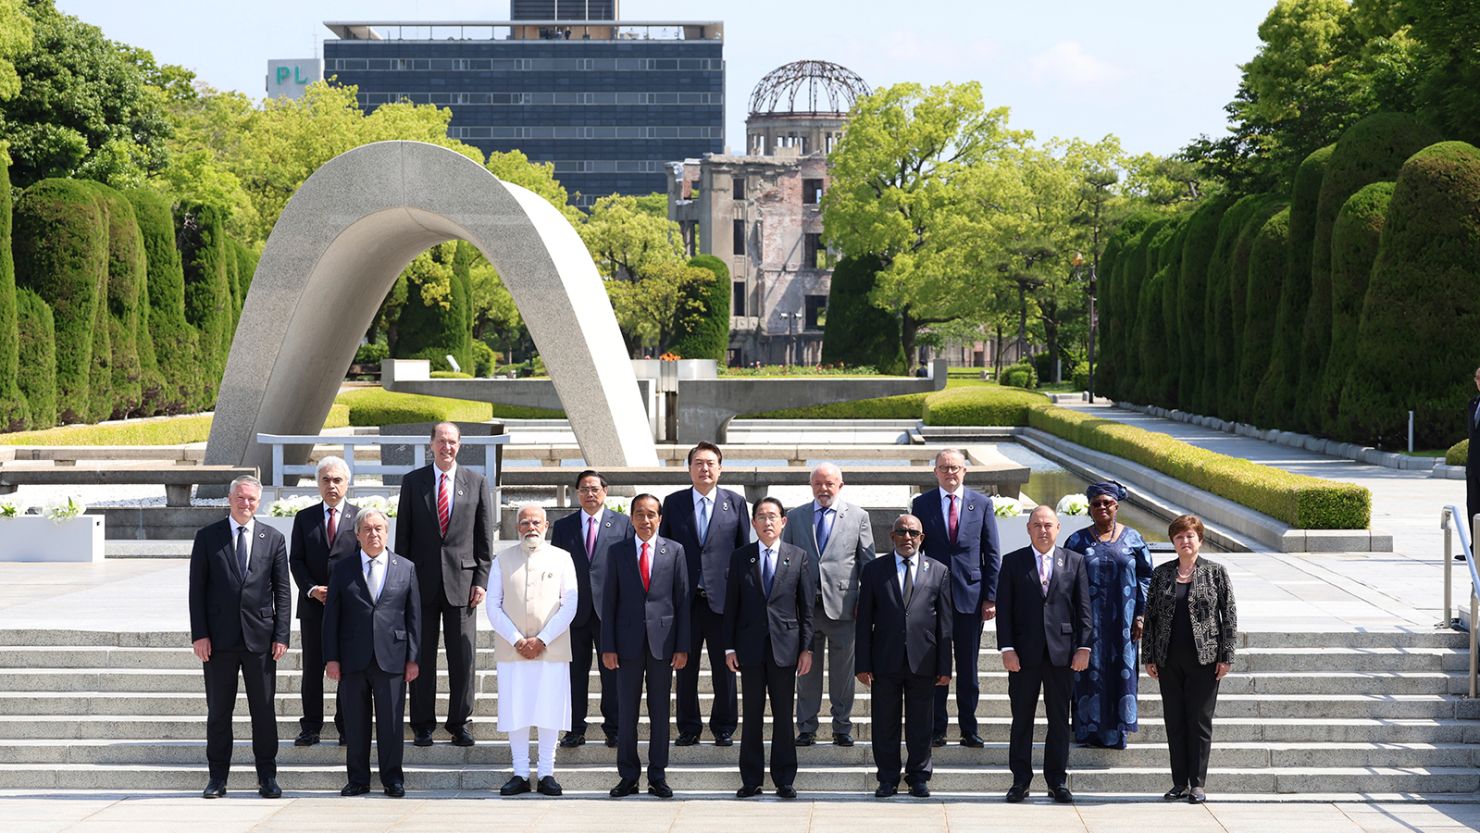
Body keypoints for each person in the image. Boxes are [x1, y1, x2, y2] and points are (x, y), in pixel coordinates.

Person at [188, 474, 290, 799]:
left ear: (258, 502)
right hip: (218, 642)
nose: (246, 504)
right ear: (230, 499)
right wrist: (200, 635)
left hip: (261, 641)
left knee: (263, 711)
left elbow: (283, 592)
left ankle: (267, 778)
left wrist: (282, 634)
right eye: (240, 498)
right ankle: (217, 778)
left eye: (252, 500)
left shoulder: (272, 538)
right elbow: (196, 592)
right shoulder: (208, 537)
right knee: (219, 711)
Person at [395, 422, 494, 748]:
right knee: (420, 655)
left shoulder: (477, 482)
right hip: (420, 584)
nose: (446, 447)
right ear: (431, 444)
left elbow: (484, 540)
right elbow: (403, 539)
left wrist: (481, 580)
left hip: (463, 584)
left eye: (452, 442)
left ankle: (459, 723)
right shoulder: (413, 482)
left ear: (460, 445)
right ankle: (422, 725)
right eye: (441, 441)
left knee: (462, 658)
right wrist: (401, 582)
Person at [996, 505, 1092, 804]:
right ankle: (1020, 781)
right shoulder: (1013, 562)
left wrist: (1083, 647)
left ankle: (1056, 781)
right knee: (1022, 719)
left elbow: (1084, 610)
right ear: (1028, 528)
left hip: (1062, 655)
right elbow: (1004, 611)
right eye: (1037, 525)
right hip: (1023, 655)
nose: (1043, 530)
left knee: (1059, 720)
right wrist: (1007, 648)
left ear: (1058, 528)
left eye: (1048, 524)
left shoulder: (1074, 561)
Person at [323, 508, 421, 798]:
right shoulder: (343, 568)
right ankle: (358, 779)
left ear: (387, 532)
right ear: (357, 535)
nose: (373, 534)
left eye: (379, 528)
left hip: (392, 656)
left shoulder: (406, 567)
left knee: (391, 723)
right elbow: (332, 617)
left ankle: (393, 779)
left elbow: (414, 617)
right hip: (353, 659)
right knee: (355, 723)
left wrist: (413, 658)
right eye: (367, 529)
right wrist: (332, 657)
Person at [854, 514, 952, 799]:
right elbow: (863, 622)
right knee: (885, 723)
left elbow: (945, 623)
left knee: (921, 724)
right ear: (892, 536)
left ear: (921, 538)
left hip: (924, 660)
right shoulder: (874, 570)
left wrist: (945, 665)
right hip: (885, 659)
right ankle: (887, 778)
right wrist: (862, 663)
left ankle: (919, 777)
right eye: (901, 532)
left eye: (913, 533)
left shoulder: (939, 571)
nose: (907, 537)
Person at [724, 498, 815, 799]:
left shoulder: (798, 556)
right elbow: (731, 607)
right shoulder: (741, 557)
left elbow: (806, 608)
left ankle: (784, 779)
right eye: (761, 517)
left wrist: (807, 649)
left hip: (785, 649)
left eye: (773, 516)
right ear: (753, 523)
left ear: (783, 521)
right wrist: (728, 648)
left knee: (783, 715)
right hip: (749, 649)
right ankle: (751, 779)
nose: (767, 522)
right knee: (751, 715)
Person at [659, 441, 749, 747]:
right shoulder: (673, 503)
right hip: (684, 600)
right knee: (685, 666)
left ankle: (724, 727)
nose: (704, 469)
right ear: (689, 469)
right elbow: (664, 551)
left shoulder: (735, 503)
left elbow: (743, 555)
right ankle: (688, 727)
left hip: (723, 600)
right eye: (698, 463)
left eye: (710, 463)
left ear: (720, 469)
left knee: (726, 667)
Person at [1144, 514, 1237, 804]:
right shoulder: (1161, 574)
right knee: (1175, 721)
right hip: (1168, 659)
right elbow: (1151, 618)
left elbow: (1229, 616)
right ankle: (1179, 783)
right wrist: (1148, 655)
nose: (1185, 541)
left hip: (1205, 659)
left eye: (1190, 536)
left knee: (1199, 721)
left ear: (1200, 540)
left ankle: (1197, 784)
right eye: (1180, 537)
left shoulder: (1216, 572)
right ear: (1173, 542)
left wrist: (1226, 655)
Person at [602, 494, 691, 799]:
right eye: (639, 514)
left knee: (660, 713)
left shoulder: (675, 551)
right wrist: (608, 646)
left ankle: (658, 776)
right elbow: (609, 601)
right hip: (626, 645)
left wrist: (682, 646)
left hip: (663, 645)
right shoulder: (617, 552)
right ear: (631, 518)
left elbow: (682, 601)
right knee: (627, 713)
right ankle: (628, 776)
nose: (645, 520)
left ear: (660, 519)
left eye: (651, 514)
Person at [910, 448, 1000, 748]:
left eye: (955, 468)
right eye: (944, 468)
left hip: (970, 598)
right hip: (932, 599)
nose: (950, 473)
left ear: (965, 472)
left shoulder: (982, 503)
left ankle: (968, 728)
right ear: (935, 472)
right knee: (936, 666)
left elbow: (992, 553)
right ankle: (937, 728)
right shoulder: (921, 504)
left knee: (968, 669)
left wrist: (990, 597)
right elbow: (915, 553)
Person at [487, 505, 579, 797]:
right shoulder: (502, 560)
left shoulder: (562, 559)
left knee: (549, 709)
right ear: (517, 528)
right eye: (524, 522)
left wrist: (543, 639)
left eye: (536, 521)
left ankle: (548, 772)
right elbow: (493, 605)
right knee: (518, 710)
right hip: (513, 650)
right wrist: (517, 640)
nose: (531, 527)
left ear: (547, 524)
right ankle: (520, 773)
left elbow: (570, 604)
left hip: (551, 649)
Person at [782, 463, 874, 747]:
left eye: (829, 484)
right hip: (806, 609)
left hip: (845, 608)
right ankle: (806, 727)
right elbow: (786, 561)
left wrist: (866, 603)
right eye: (818, 484)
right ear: (811, 486)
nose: (823, 489)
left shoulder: (858, 516)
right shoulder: (795, 517)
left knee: (843, 673)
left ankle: (841, 727)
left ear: (840, 486)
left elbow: (867, 563)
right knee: (806, 671)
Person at [1060, 481, 1153, 749]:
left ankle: (1116, 732)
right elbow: (1065, 582)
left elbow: (1146, 577)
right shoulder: (1076, 540)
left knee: (1120, 673)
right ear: (1089, 508)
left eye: (1107, 503)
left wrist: (1141, 615)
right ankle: (1087, 731)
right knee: (1088, 673)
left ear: (1116, 507)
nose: (1102, 507)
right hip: (1087, 623)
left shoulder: (1133, 538)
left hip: (1123, 624)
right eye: (1096, 504)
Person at [549, 469, 632, 749]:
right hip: (574, 611)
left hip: (612, 611)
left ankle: (615, 727)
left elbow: (629, 569)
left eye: (595, 488)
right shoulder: (564, 527)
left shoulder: (622, 524)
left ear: (605, 491)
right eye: (584, 489)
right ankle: (574, 728)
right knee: (575, 673)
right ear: (576, 493)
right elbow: (556, 570)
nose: (590, 494)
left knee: (613, 671)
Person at [288, 456, 359, 747]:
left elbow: (365, 560)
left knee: (347, 667)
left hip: (348, 609)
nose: (332, 485)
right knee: (312, 669)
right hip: (313, 607)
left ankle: (346, 725)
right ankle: (311, 726)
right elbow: (297, 560)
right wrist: (311, 589)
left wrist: (346, 592)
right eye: (326, 479)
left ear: (347, 483)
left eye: (337, 480)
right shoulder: (304, 518)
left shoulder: (360, 518)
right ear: (318, 483)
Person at [1466, 366, 1480, 537]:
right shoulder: (1473, 403)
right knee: (1473, 507)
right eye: (1477, 378)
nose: (1478, 381)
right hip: (1473, 467)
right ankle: (1475, 547)